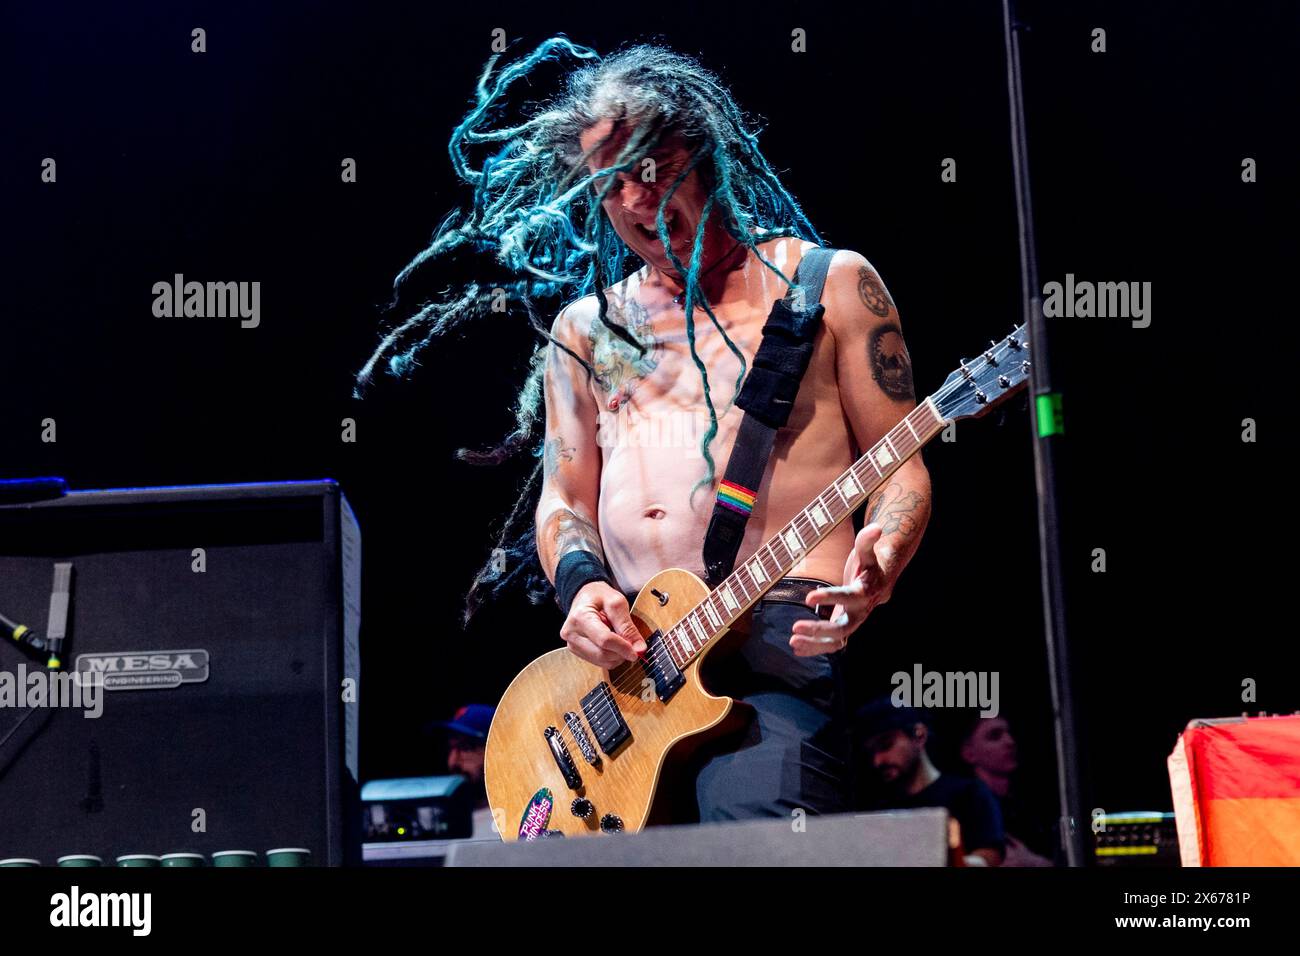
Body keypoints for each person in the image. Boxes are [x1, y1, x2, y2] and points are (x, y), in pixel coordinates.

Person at [359, 39, 932, 822]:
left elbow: (900, 465)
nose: (634, 201)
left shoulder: (827, 285)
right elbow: (563, 496)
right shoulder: (586, 330)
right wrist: (582, 583)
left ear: (700, 151)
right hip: (622, 678)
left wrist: (886, 548)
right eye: (610, 183)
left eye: (650, 169)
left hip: (770, 642)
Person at [855, 699, 1004, 865]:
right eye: (871, 753)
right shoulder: (881, 810)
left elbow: (988, 857)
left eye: (886, 745)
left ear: (919, 735)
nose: (878, 761)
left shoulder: (969, 794)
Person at [959, 714, 1055, 866]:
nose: (1010, 742)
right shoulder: (965, 810)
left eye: (1009, 734)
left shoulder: (1030, 807)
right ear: (969, 753)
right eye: (995, 736)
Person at [429, 703, 497, 838]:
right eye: (450, 749)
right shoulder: (434, 822)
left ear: (496, 752)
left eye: (466, 748)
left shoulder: (525, 821)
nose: (453, 761)